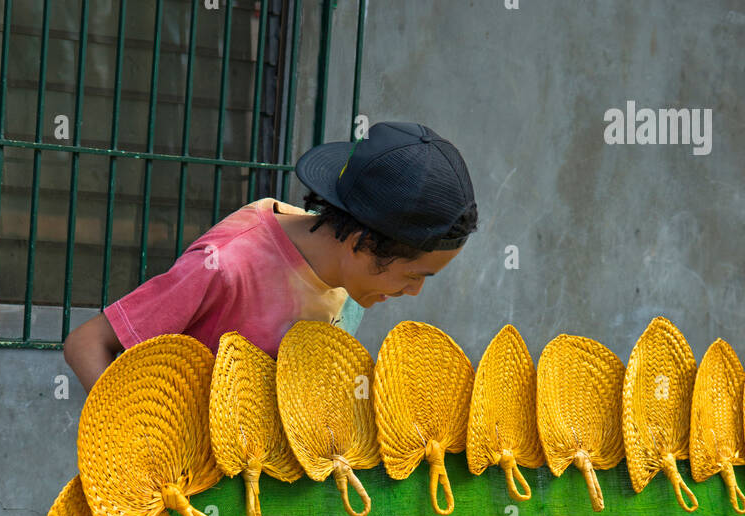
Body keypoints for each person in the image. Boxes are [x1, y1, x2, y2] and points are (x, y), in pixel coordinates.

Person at [62, 121, 477, 393]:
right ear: (362, 244)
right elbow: (86, 343)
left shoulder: (353, 279)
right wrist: (136, 443)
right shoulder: (227, 263)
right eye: (414, 276)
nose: (415, 292)